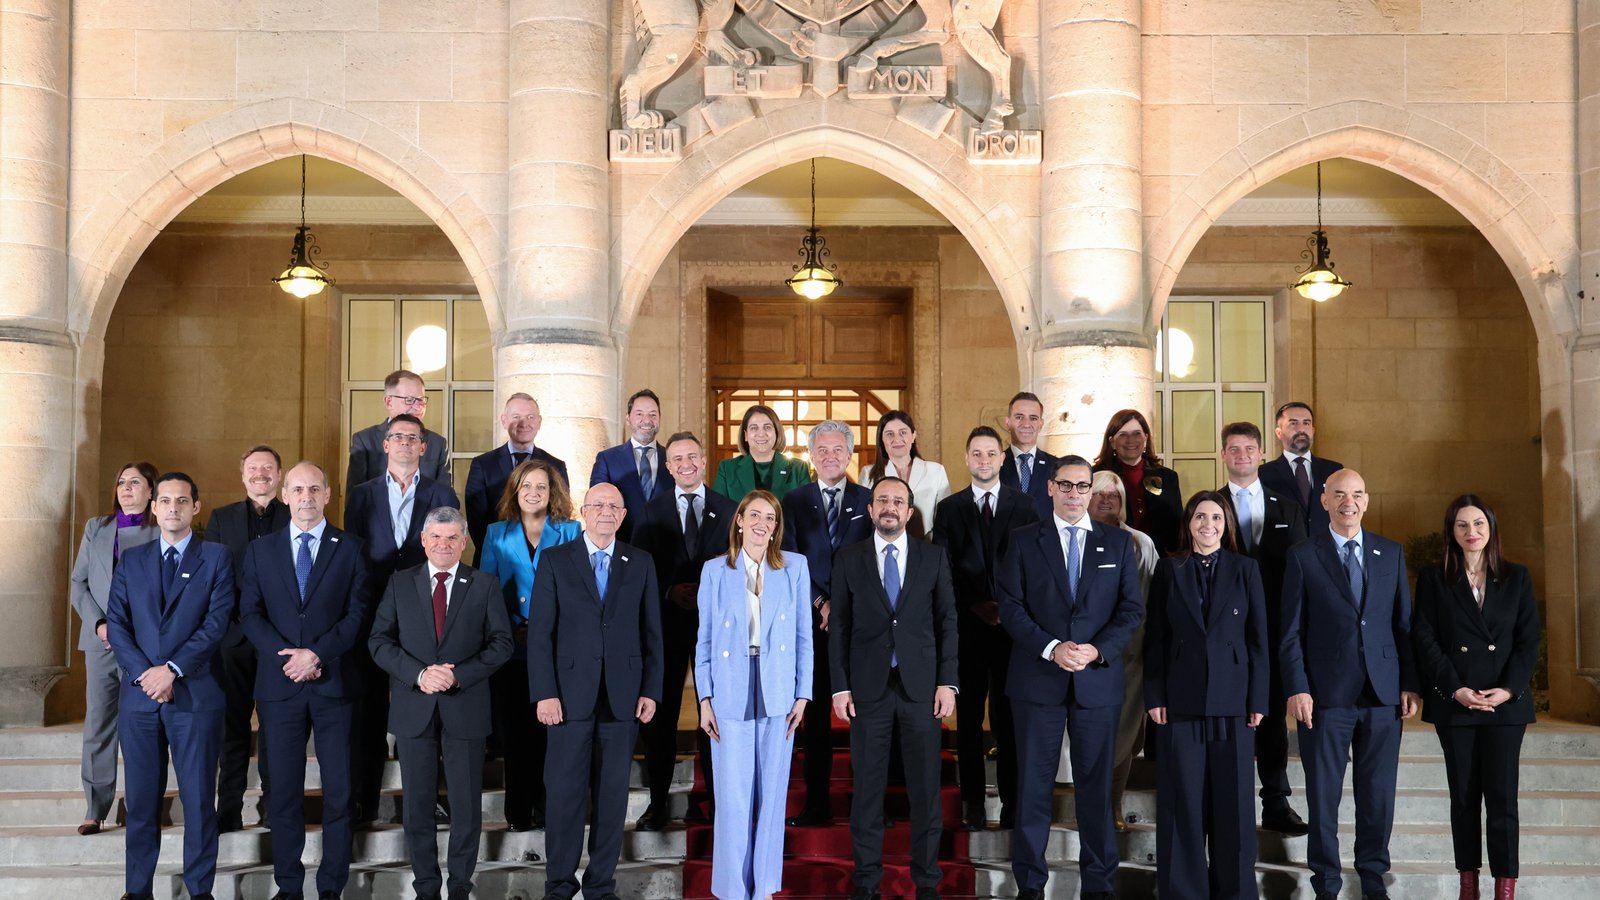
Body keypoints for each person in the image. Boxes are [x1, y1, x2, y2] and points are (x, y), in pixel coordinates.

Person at [996, 455, 1144, 900]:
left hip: (1096, 681)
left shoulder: (1117, 543)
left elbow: (1131, 610)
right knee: (1033, 788)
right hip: (1037, 680)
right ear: (1051, 487)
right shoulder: (1023, 540)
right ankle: (1030, 885)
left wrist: (1096, 649)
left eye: (1083, 486)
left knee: (1096, 791)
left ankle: (1099, 884)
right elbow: (1011, 608)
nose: (1075, 494)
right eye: (1066, 485)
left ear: (1091, 491)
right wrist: (1051, 648)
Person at [1280, 468, 1421, 900]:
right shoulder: (1303, 555)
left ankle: (1373, 876)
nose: (1349, 502)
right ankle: (1326, 881)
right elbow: (1290, 631)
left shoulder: (1390, 553)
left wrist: (1410, 682)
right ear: (1324, 501)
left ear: (1367, 500)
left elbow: (1403, 625)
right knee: (1324, 796)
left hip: (1382, 694)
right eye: (1339, 494)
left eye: (1357, 494)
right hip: (1325, 696)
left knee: (1377, 793)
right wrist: (1297, 687)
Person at [239, 461, 371, 900]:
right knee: (283, 793)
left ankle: (332, 885)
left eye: (315, 489)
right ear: (285, 495)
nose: (306, 498)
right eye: (298, 490)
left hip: (335, 686)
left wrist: (316, 654)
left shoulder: (350, 548)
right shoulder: (260, 551)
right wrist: (289, 659)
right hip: (280, 689)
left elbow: (357, 614)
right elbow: (250, 614)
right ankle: (289, 886)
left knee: (340, 792)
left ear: (328, 495)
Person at [529, 482, 664, 900]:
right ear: (583, 512)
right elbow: (540, 634)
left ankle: (601, 886)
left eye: (614, 506)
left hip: (623, 699)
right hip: (567, 699)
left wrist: (651, 690)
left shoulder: (641, 562)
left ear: (623, 516)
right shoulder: (555, 560)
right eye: (598, 505)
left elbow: (653, 633)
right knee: (564, 796)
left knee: (612, 799)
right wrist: (544, 692)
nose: (606, 511)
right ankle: (559, 885)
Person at [106, 472, 236, 900]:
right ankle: (137, 890)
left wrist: (173, 670)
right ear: (154, 507)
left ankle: (200, 891)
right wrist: (148, 674)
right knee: (142, 803)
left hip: (195, 696)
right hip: (140, 698)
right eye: (165, 500)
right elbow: (117, 624)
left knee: (198, 802)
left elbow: (216, 623)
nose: (173, 508)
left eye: (182, 501)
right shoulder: (133, 560)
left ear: (195, 507)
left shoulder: (216, 557)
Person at [369, 506, 510, 900]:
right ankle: (427, 887)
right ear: (423, 540)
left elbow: (502, 643)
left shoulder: (484, 584)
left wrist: (457, 674)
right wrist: (420, 674)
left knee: (465, 806)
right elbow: (379, 641)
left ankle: (460, 885)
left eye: (452, 538)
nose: (443, 545)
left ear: (464, 542)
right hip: (415, 708)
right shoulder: (400, 583)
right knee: (417, 806)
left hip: (465, 706)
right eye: (436, 537)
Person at [829, 476, 959, 900]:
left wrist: (947, 682)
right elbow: (839, 627)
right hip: (868, 689)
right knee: (867, 791)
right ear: (870, 510)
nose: (889, 507)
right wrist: (840, 687)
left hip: (922, 689)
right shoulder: (848, 558)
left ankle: (927, 882)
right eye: (882, 500)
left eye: (897, 501)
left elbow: (947, 621)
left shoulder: (933, 557)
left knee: (926, 791)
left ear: (909, 511)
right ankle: (866, 883)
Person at [1411, 495, 1542, 900]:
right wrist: (1457, 689)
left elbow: (1528, 640)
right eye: (1463, 525)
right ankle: (1468, 887)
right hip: (1457, 704)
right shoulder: (1435, 578)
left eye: (1479, 523)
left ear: (1491, 528)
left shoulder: (1516, 577)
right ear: (1451, 531)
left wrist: (1509, 689)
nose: (1472, 532)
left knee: (1502, 800)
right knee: (1464, 799)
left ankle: (1505, 889)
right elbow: (1425, 638)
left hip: (1505, 705)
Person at [1144, 491, 1269, 900]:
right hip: (1180, 702)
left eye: (1216, 517)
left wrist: (1258, 699)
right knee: (1182, 804)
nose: (1208, 525)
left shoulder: (1246, 568)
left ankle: (1236, 893)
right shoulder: (1169, 569)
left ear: (1226, 524)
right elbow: (1156, 638)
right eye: (1200, 516)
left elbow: (1258, 640)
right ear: (1189, 522)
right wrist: (1154, 695)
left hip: (1234, 702)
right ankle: (1184, 892)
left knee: (1234, 806)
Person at [343, 413, 461, 825]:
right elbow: (354, 553)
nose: (406, 443)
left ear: (424, 447)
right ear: (386, 445)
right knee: (370, 710)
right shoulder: (362, 495)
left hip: (425, 611)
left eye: (413, 437)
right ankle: (365, 802)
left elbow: (447, 551)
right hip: (374, 610)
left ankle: (431, 801)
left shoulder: (442, 493)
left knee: (428, 710)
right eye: (398, 436)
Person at [694, 490, 813, 900]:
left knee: (772, 797)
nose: (763, 524)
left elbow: (804, 636)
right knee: (733, 798)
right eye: (756, 515)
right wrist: (704, 700)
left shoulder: (795, 567)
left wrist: (803, 694)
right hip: (730, 688)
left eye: (771, 518)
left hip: (778, 689)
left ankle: (762, 889)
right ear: (740, 521)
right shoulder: (714, 570)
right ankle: (732, 890)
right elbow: (704, 640)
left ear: (777, 528)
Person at [932, 425, 1039, 831]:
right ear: (966, 458)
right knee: (970, 721)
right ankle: (973, 805)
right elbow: (943, 570)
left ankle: (1012, 805)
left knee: (1010, 721)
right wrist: (976, 605)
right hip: (968, 629)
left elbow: (1033, 568)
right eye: (976, 453)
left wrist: (1006, 608)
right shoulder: (950, 508)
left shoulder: (1025, 506)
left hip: (1014, 632)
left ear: (1002, 458)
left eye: (991, 453)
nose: (984, 460)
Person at [632, 432, 738, 831]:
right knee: (661, 718)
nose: (686, 464)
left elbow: (740, 566)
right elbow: (639, 570)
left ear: (704, 460)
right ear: (668, 466)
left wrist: (709, 592)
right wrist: (668, 591)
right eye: (677, 459)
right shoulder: (649, 511)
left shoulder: (729, 510)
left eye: (692, 456)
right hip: (666, 625)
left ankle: (718, 802)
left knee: (718, 713)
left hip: (716, 629)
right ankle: (658, 802)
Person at [477, 457, 582, 831]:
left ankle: (549, 808)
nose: (533, 492)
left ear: (553, 493)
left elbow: (578, 590)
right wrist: (511, 629)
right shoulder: (496, 533)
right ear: (515, 491)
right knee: (517, 733)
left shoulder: (570, 531)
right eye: (526, 486)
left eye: (541, 486)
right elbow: (486, 592)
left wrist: (545, 628)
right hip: (513, 648)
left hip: (558, 647)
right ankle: (518, 811)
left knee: (554, 732)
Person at [1219, 420, 1311, 835]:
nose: (1242, 455)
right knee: (1231, 714)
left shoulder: (1287, 507)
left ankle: (1275, 802)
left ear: (1261, 453)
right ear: (1224, 455)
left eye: (1248, 448)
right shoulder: (1210, 506)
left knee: (1271, 716)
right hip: (1224, 631)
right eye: (1234, 449)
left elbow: (1302, 573)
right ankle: (1231, 804)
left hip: (1274, 629)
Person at [780, 420, 873, 827]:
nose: (830, 456)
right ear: (811, 456)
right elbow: (788, 559)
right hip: (812, 624)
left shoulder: (868, 499)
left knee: (867, 718)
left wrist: (843, 605)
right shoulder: (793, 501)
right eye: (822, 450)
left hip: (861, 624)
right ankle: (816, 804)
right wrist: (821, 602)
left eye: (838, 449)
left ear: (849, 454)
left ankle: (868, 806)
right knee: (815, 718)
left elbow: (874, 558)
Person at [68, 460, 159, 836]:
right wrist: (100, 623)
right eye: (122, 482)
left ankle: (143, 805)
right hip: (101, 641)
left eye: (135, 482)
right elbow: (79, 583)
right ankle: (95, 808)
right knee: (99, 723)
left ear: (151, 491)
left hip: (143, 646)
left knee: (142, 725)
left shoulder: (160, 530)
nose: (126, 488)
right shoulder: (97, 527)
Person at [204, 444, 289, 833]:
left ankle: (272, 806)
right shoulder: (221, 518)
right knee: (232, 726)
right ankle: (229, 808)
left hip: (278, 639)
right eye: (253, 467)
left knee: (275, 727)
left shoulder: (294, 515)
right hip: (234, 638)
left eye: (268, 467)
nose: (260, 473)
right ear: (242, 475)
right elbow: (212, 576)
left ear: (279, 475)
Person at [1084, 470, 1158, 832]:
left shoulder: (1140, 543)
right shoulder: (1075, 537)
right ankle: (1090, 806)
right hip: (1084, 653)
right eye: (1099, 494)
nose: (1107, 500)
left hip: (1130, 653)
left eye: (1113, 495)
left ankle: (1112, 805)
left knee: (1124, 734)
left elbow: (1151, 597)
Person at [464, 392, 569, 565]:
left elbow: (559, 513)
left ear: (539, 422)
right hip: (496, 559)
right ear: (504, 421)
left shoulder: (556, 465)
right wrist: (498, 552)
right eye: (516, 417)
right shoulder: (482, 464)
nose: (524, 423)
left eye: (530, 417)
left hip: (544, 561)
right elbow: (476, 521)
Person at [1091, 409, 1181, 555]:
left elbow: (1176, 525)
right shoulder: (1095, 476)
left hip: (1160, 558)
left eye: (1137, 433)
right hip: (1111, 553)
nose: (1130, 440)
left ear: (1146, 439)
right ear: (1112, 442)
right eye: (1123, 434)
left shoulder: (1168, 477)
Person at [346, 369, 452, 490]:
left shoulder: (438, 443)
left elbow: (445, 496)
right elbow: (355, 495)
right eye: (409, 400)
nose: (418, 407)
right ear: (389, 402)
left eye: (421, 400)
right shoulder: (365, 440)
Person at [590, 388, 671, 542]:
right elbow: (596, 504)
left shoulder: (673, 459)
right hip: (623, 545)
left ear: (660, 418)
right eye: (639, 414)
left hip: (666, 547)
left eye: (653, 414)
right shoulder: (607, 459)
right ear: (628, 418)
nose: (647, 420)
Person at [1257, 401, 1343, 535]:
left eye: (1306, 423)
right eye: (1293, 423)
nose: (1301, 429)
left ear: (1313, 431)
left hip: (1326, 545)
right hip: (1284, 546)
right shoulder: (1263, 474)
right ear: (1279, 432)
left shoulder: (1334, 470)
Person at [859, 410, 951, 533]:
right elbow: (864, 520)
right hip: (883, 542)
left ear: (913, 435)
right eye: (890, 434)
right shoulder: (868, 473)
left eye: (903, 432)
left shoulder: (936, 471)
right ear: (881, 439)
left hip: (927, 542)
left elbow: (945, 519)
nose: (897, 439)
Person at [712, 404, 812, 501]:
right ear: (746, 435)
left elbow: (807, 509)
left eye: (767, 427)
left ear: (776, 432)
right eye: (754, 428)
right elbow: (717, 509)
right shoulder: (727, 469)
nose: (761, 434)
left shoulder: (798, 469)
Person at [999, 391, 1057, 519]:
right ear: (1007, 422)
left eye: (1033, 418)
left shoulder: (1057, 466)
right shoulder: (994, 465)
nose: (1026, 424)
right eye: (1019, 417)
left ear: (1041, 424)